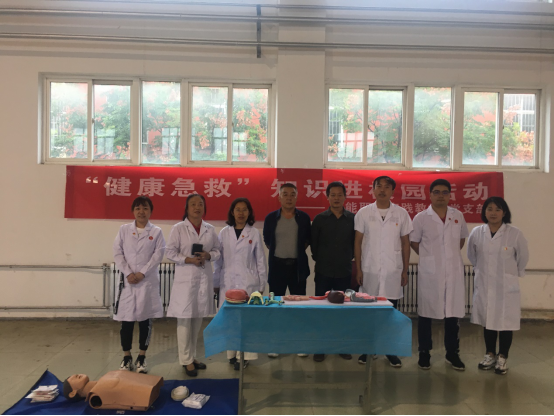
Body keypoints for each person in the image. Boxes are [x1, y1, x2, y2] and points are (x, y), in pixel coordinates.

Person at [410, 179, 469, 372]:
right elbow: (414, 241)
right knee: (426, 314)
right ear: (430, 195)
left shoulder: (457, 216)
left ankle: (452, 353)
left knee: (452, 315)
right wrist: (429, 257)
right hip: (430, 273)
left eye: (444, 192)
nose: (440, 196)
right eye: (436, 192)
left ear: (450, 195)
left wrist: (447, 256)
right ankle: (424, 353)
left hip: (453, 272)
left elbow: (461, 240)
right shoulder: (421, 218)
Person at [354, 176, 412, 368]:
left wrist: (405, 270)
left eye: (387, 187)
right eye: (379, 186)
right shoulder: (363, 213)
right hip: (369, 270)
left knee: (390, 313)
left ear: (392, 192)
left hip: (392, 271)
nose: (382, 190)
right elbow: (358, 242)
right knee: (369, 313)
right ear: (373, 190)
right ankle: (368, 349)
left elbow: (405, 243)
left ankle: (390, 350)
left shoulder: (401, 213)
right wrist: (359, 268)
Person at [468, 197, 529, 376]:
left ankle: (502, 357)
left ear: (504, 212)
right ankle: (490, 354)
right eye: (489, 209)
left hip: (505, 287)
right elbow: (472, 255)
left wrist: (512, 274)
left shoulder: (514, 233)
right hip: (485, 284)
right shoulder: (477, 232)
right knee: (488, 321)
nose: (493, 213)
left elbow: (523, 257)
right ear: (484, 212)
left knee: (505, 322)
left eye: (497, 209)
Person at [166, 194, 221, 378]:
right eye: (193, 204)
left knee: (197, 319)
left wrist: (208, 255)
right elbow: (169, 252)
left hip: (203, 279)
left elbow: (218, 251)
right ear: (187, 208)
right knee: (184, 320)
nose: (197, 207)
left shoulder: (210, 229)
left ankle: (192, 356)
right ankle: (185, 360)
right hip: (185, 280)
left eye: (200, 204)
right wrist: (188, 259)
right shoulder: (178, 228)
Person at [113, 196, 165, 374]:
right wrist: (128, 273)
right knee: (126, 322)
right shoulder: (124, 230)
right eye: (138, 208)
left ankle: (142, 356)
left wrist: (142, 273)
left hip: (146, 282)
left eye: (145, 208)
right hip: (128, 283)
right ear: (133, 211)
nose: (141, 212)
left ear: (150, 211)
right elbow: (118, 253)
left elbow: (158, 255)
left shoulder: (156, 232)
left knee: (145, 321)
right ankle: (126, 356)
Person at [214, 198, 268, 371]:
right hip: (228, 282)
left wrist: (261, 284)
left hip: (248, 283)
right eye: (238, 209)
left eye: (244, 209)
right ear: (232, 212)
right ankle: (231, 354)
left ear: (249, 212)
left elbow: (260, 260)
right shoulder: (224, 233)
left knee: (246, 322)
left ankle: (244, 356)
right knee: (230, 320)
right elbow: (218, 261)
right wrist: (216, 282)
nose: (241, 213)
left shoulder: (254, 233)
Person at [263, 183, 311, 358]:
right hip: (277, 267)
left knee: (299, 307)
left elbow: (307, 240)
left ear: (297, 197)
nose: (289, 197)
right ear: (279, 197)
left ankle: (299, 343)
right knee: (276, 305)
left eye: (292, 194)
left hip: (297, 268)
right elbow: (267, 239)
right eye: (285, 194)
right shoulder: (271, 218)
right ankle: (275, 343)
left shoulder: (304, 218)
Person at [311, 181, 356, 363]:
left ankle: (341, 346)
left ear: (345, 197)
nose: (336, 198)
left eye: (340, 195)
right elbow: (314, 246)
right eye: (333, 195)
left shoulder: (353, 219)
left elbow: (355, 244)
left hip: (344, 271)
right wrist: (323, 260)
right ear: (327, 197)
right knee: (322, 310)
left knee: (342, 311)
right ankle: (320, 347)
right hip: (324, 271)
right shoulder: (320, 219)